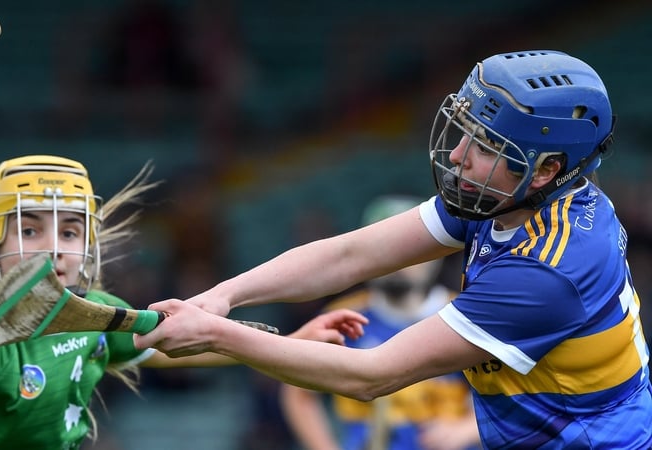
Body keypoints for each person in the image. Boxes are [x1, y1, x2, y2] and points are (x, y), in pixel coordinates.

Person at [135, 50, 652, 449]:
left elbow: (372, 375)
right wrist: (224, 296)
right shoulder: (506, 197)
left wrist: (217, 335)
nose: (457, 155)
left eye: (487, 148)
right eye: (466, 133)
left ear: (547, 170)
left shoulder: (547, 271)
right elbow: (349, 256)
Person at [0, 155, 366, 449]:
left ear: (89, 246)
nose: (53, 248)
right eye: (30, 229)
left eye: (70, 230)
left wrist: (287, 343)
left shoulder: (94, 307)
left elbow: (173, 343)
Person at [280, 195, 481, 450]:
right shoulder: (341, 317)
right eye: (386, 250)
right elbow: (298, 392)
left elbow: (514, 391)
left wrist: (467, 429)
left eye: (412, 250)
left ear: (439, 254)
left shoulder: (466, 314)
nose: (399, 262)